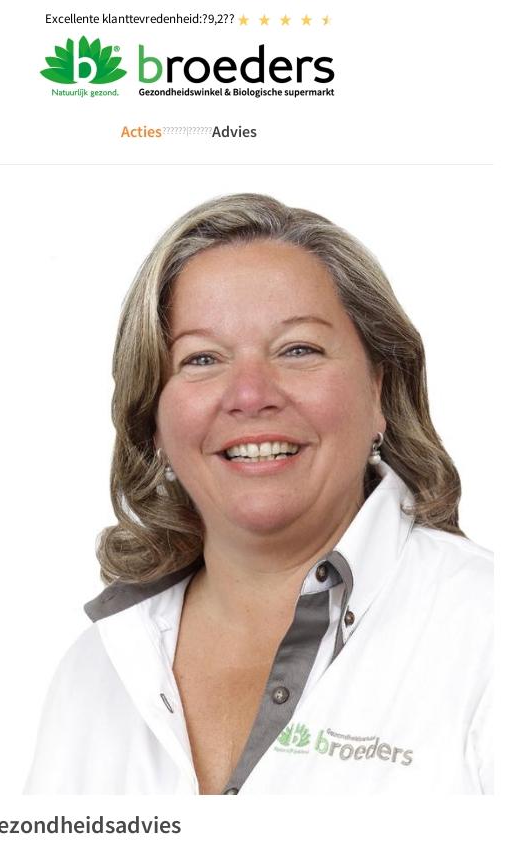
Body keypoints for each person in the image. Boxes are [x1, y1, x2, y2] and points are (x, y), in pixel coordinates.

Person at [25, 193, 492, 795]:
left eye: (298, 349)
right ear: (154, 419)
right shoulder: (96, 671)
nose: (250, 395)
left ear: (379, 389)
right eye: (201, 358)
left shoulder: (488, 629)